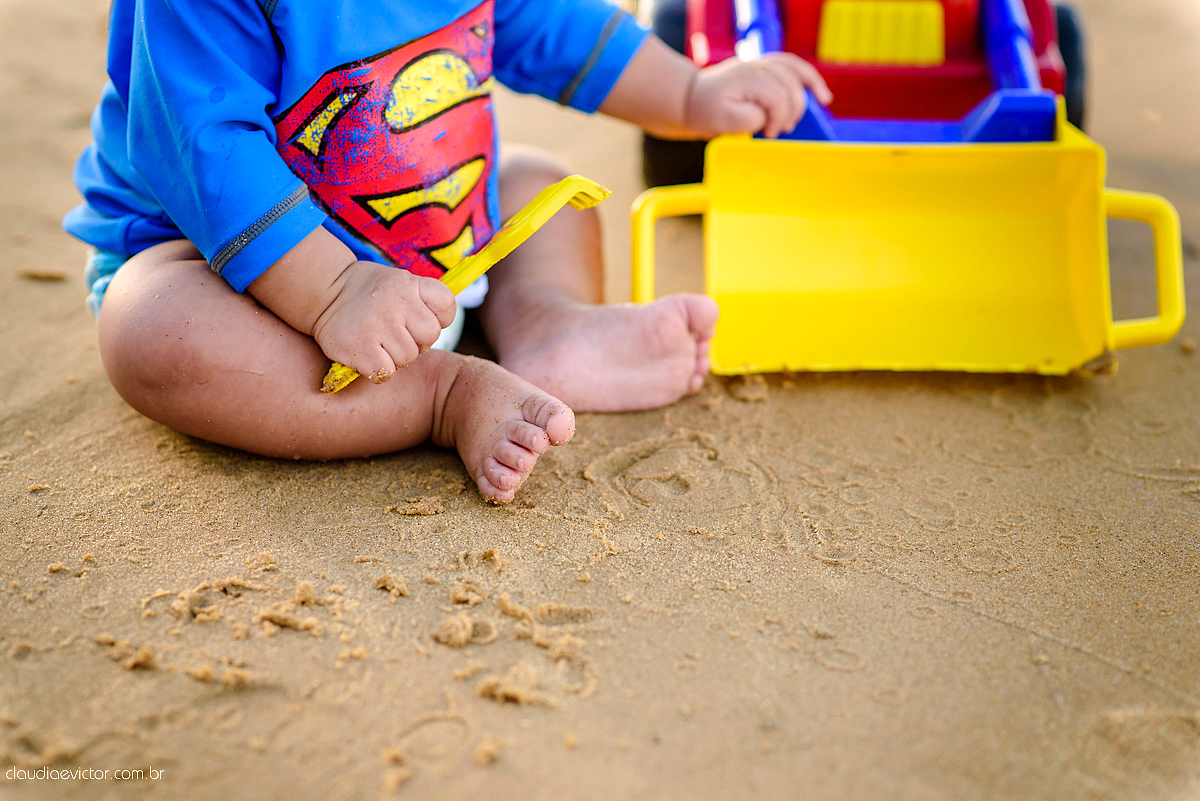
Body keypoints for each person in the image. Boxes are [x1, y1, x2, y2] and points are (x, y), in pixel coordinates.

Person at [63, 0, 832, 503]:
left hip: (433, 239)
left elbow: (552, 25)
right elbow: (205, 148)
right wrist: (333, 289)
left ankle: (545, 323)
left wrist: (691, 96)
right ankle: (440, 395)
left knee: (537, 182)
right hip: (237, 266)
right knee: (153, 329)